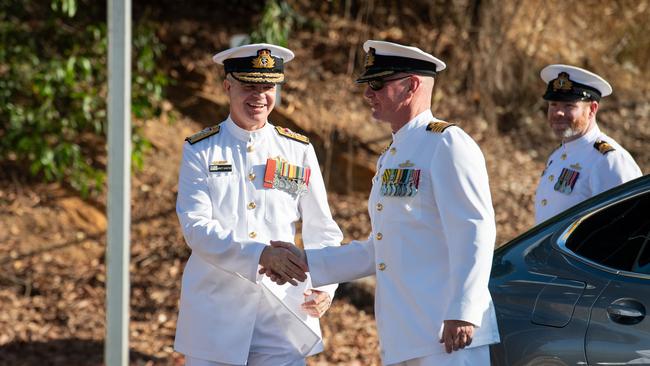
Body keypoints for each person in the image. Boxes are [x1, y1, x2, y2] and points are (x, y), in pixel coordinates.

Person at [263, 40, 499, 366]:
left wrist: (465, 310)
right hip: (405, 335)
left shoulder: (447, 143)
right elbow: (382, 247)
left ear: (410, 87)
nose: (367, 94)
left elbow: (476, 229)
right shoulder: (393, 154)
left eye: (377, 83)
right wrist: (307, 261)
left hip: (446, 334)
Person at [174, 43, 343, 366]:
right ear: (228, 87)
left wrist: (326, 285)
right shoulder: (200, 150)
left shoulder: (298, 149)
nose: (259, 96)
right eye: (249, 86)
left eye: (268, 87)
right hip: (217, 313)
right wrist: (260, 255)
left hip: (284, 311)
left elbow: (322, 228)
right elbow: (196, 228)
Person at [534, 64, 642, 224]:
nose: (558, 113)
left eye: (569, 105)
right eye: (553, 104)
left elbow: (631, 227)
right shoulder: (557, 156)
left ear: (592, 109)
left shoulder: (609, 160)